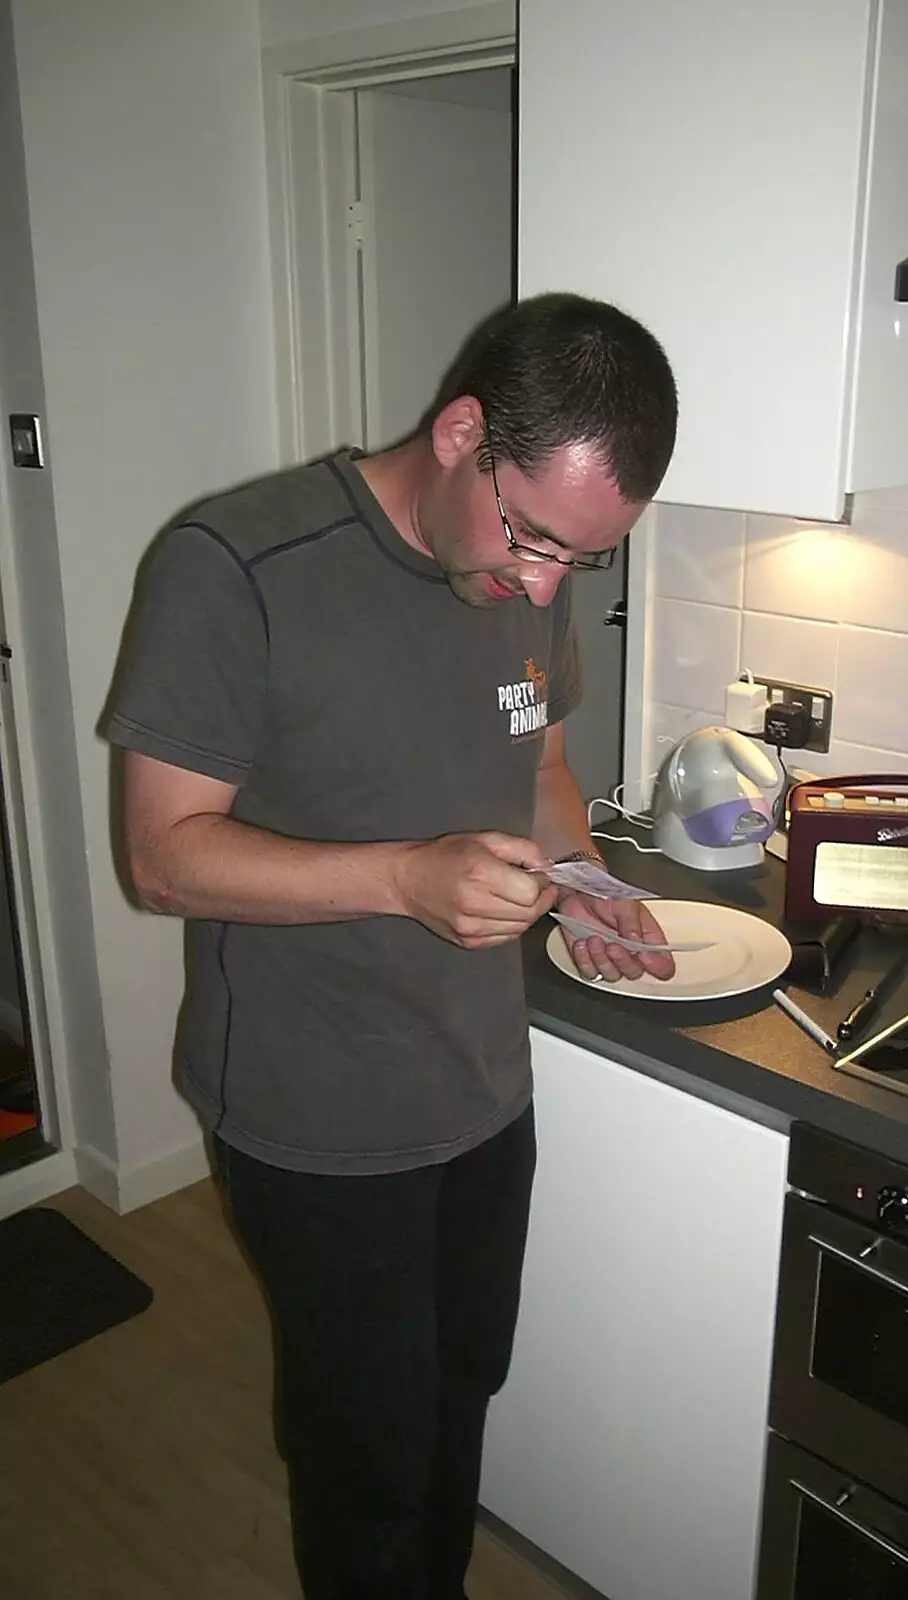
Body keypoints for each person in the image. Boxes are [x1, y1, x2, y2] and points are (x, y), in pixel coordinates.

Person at [105, 291, 678, 1599]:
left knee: (460, 1397)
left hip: (482, 1084)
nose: (540, 586)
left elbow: (542, 764)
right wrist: (404, 880)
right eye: (533, 536)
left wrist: (583, 879)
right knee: (364, 1452)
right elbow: (162, 856)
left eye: (581, 562)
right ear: (462, 429)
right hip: (315, 1112)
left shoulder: (534, 571)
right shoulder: (232, 562)